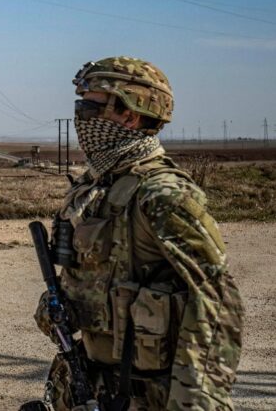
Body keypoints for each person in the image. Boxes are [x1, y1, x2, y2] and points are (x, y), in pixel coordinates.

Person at [32, 57, 243, 410]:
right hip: (93, 384)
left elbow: (217, 300)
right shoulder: (95, 185)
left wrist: (198, 401)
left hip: (149, 395)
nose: (80, 118)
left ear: (129, 115)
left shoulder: (163, 194)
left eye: (88, 106)